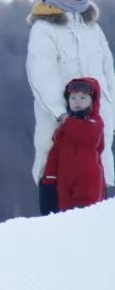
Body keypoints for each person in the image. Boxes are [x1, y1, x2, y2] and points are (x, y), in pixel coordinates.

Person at [26, 0, 115, 214]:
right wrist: (64, 116)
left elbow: (109, 75)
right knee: (58, 207)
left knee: (95, 209)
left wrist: (110, 118)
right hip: (60, 130)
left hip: (95, 131)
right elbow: (41, 76)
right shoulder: (44, 28)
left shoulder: (92, 27)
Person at [40, 77, 105, 212]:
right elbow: (55, 155)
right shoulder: (62, 130)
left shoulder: (95, 122)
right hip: (64, 183)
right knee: (66, 219)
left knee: (86, 218)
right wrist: (49, 178)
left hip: (89, 182)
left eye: (83, 98)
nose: (77, 102)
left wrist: (66, 120)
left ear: (92, 101)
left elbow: (89, 137)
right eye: (73, 98)